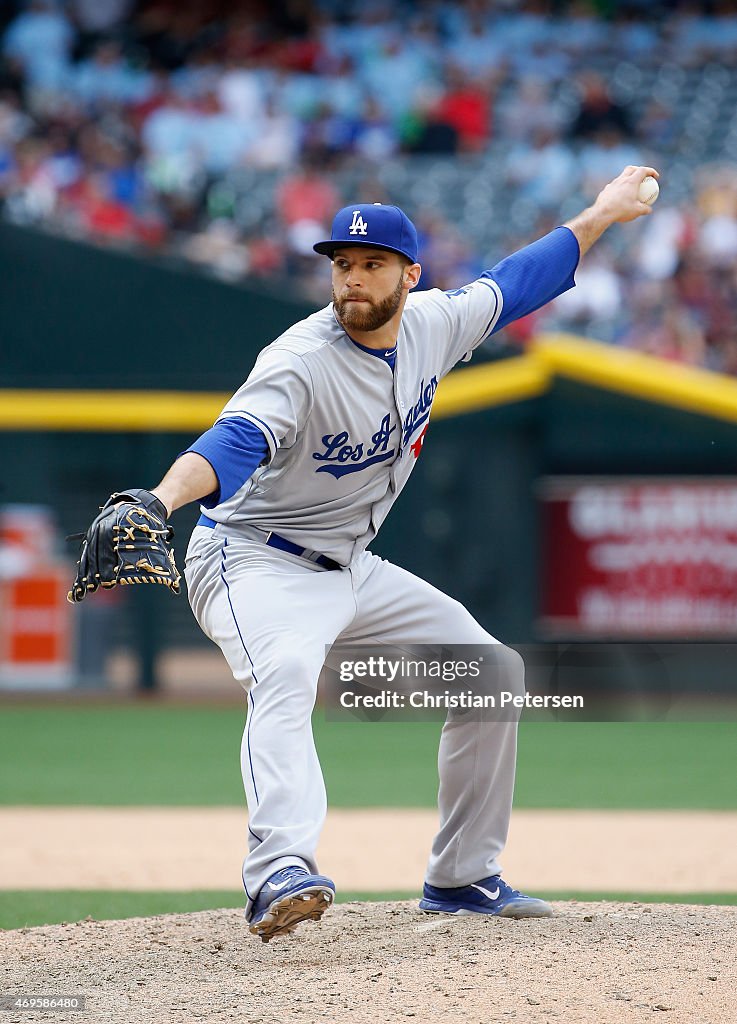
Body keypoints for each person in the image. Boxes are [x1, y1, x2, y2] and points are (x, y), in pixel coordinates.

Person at [146, 165, 658, 942]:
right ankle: (277, 871)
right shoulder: (299, 359)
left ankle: (460, 878)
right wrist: (157, 501)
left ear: (408, 274)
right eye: (341, 265)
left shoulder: (434, 323)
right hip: (252, 559)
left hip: (348, 564)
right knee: (284, 672)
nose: (352, 279)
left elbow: (520, 280)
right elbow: (234, 442)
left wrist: (601, 213)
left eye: (370, 264)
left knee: (492, 672)